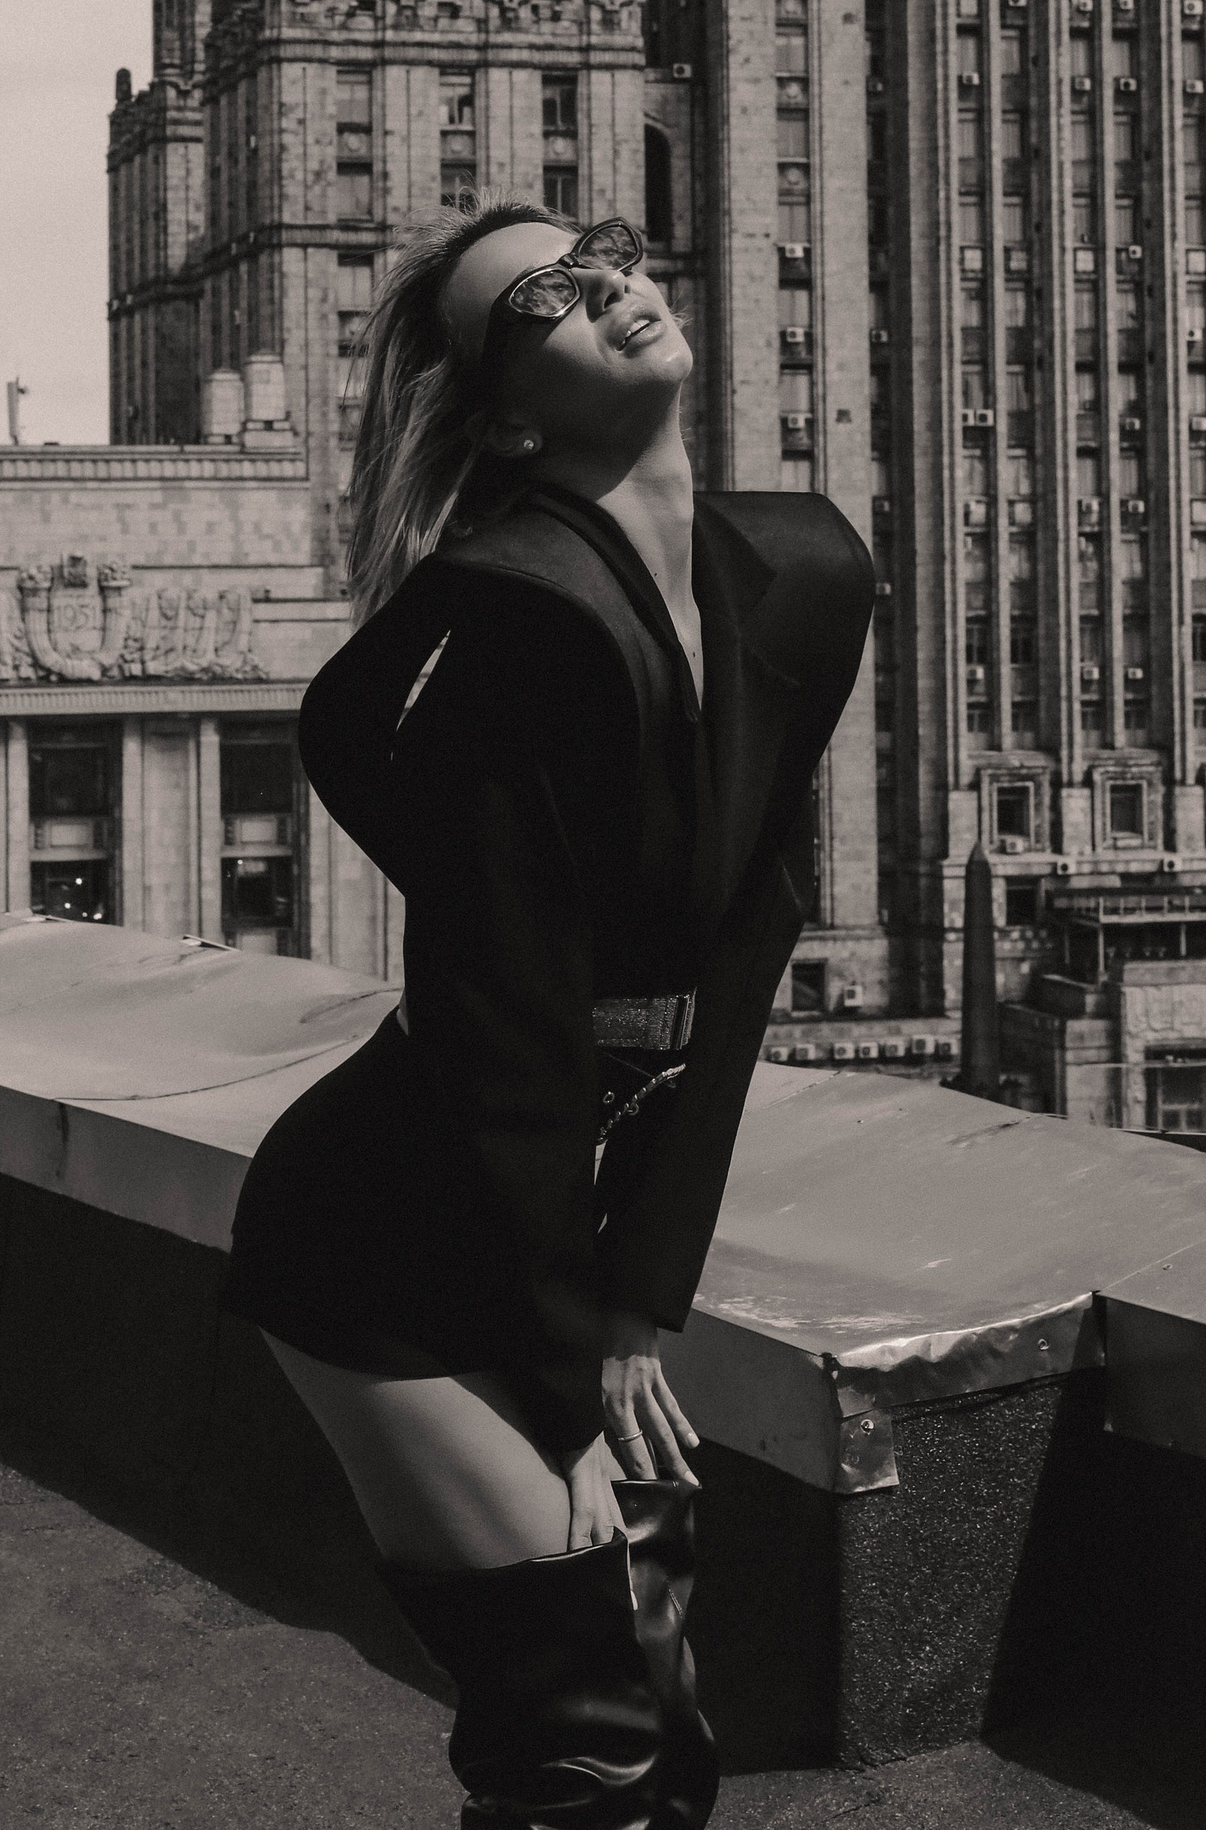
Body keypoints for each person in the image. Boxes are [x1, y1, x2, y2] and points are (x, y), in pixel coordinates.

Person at [220, 197, 874, 1827]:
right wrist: (567, 1372)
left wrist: (641, 1299)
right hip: (387, 1239)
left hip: (562, 1233)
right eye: (548, 301)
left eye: (610, 255)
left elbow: (749, 945)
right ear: (510, 419)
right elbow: (502, 1019)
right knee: (585, 1731)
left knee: (659, 1734)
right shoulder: (506, 616)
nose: (609, 290)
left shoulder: (799, 577)